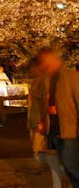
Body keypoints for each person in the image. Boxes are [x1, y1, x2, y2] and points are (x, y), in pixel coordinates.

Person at [34, 47, 79, 187]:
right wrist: (43, 120)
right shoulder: (46, 80)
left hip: (70, 129)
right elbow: (43, 103)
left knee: (71, 164)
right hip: (54, 129)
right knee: (66, 165)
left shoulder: (72, 77)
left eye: (47, 59)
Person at [27, 57, 67, 188]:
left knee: (49, 156)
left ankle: (60, 182)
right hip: (40, 123)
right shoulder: (37, 83)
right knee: (43, 155)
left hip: (48, 124)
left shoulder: (48, 82)